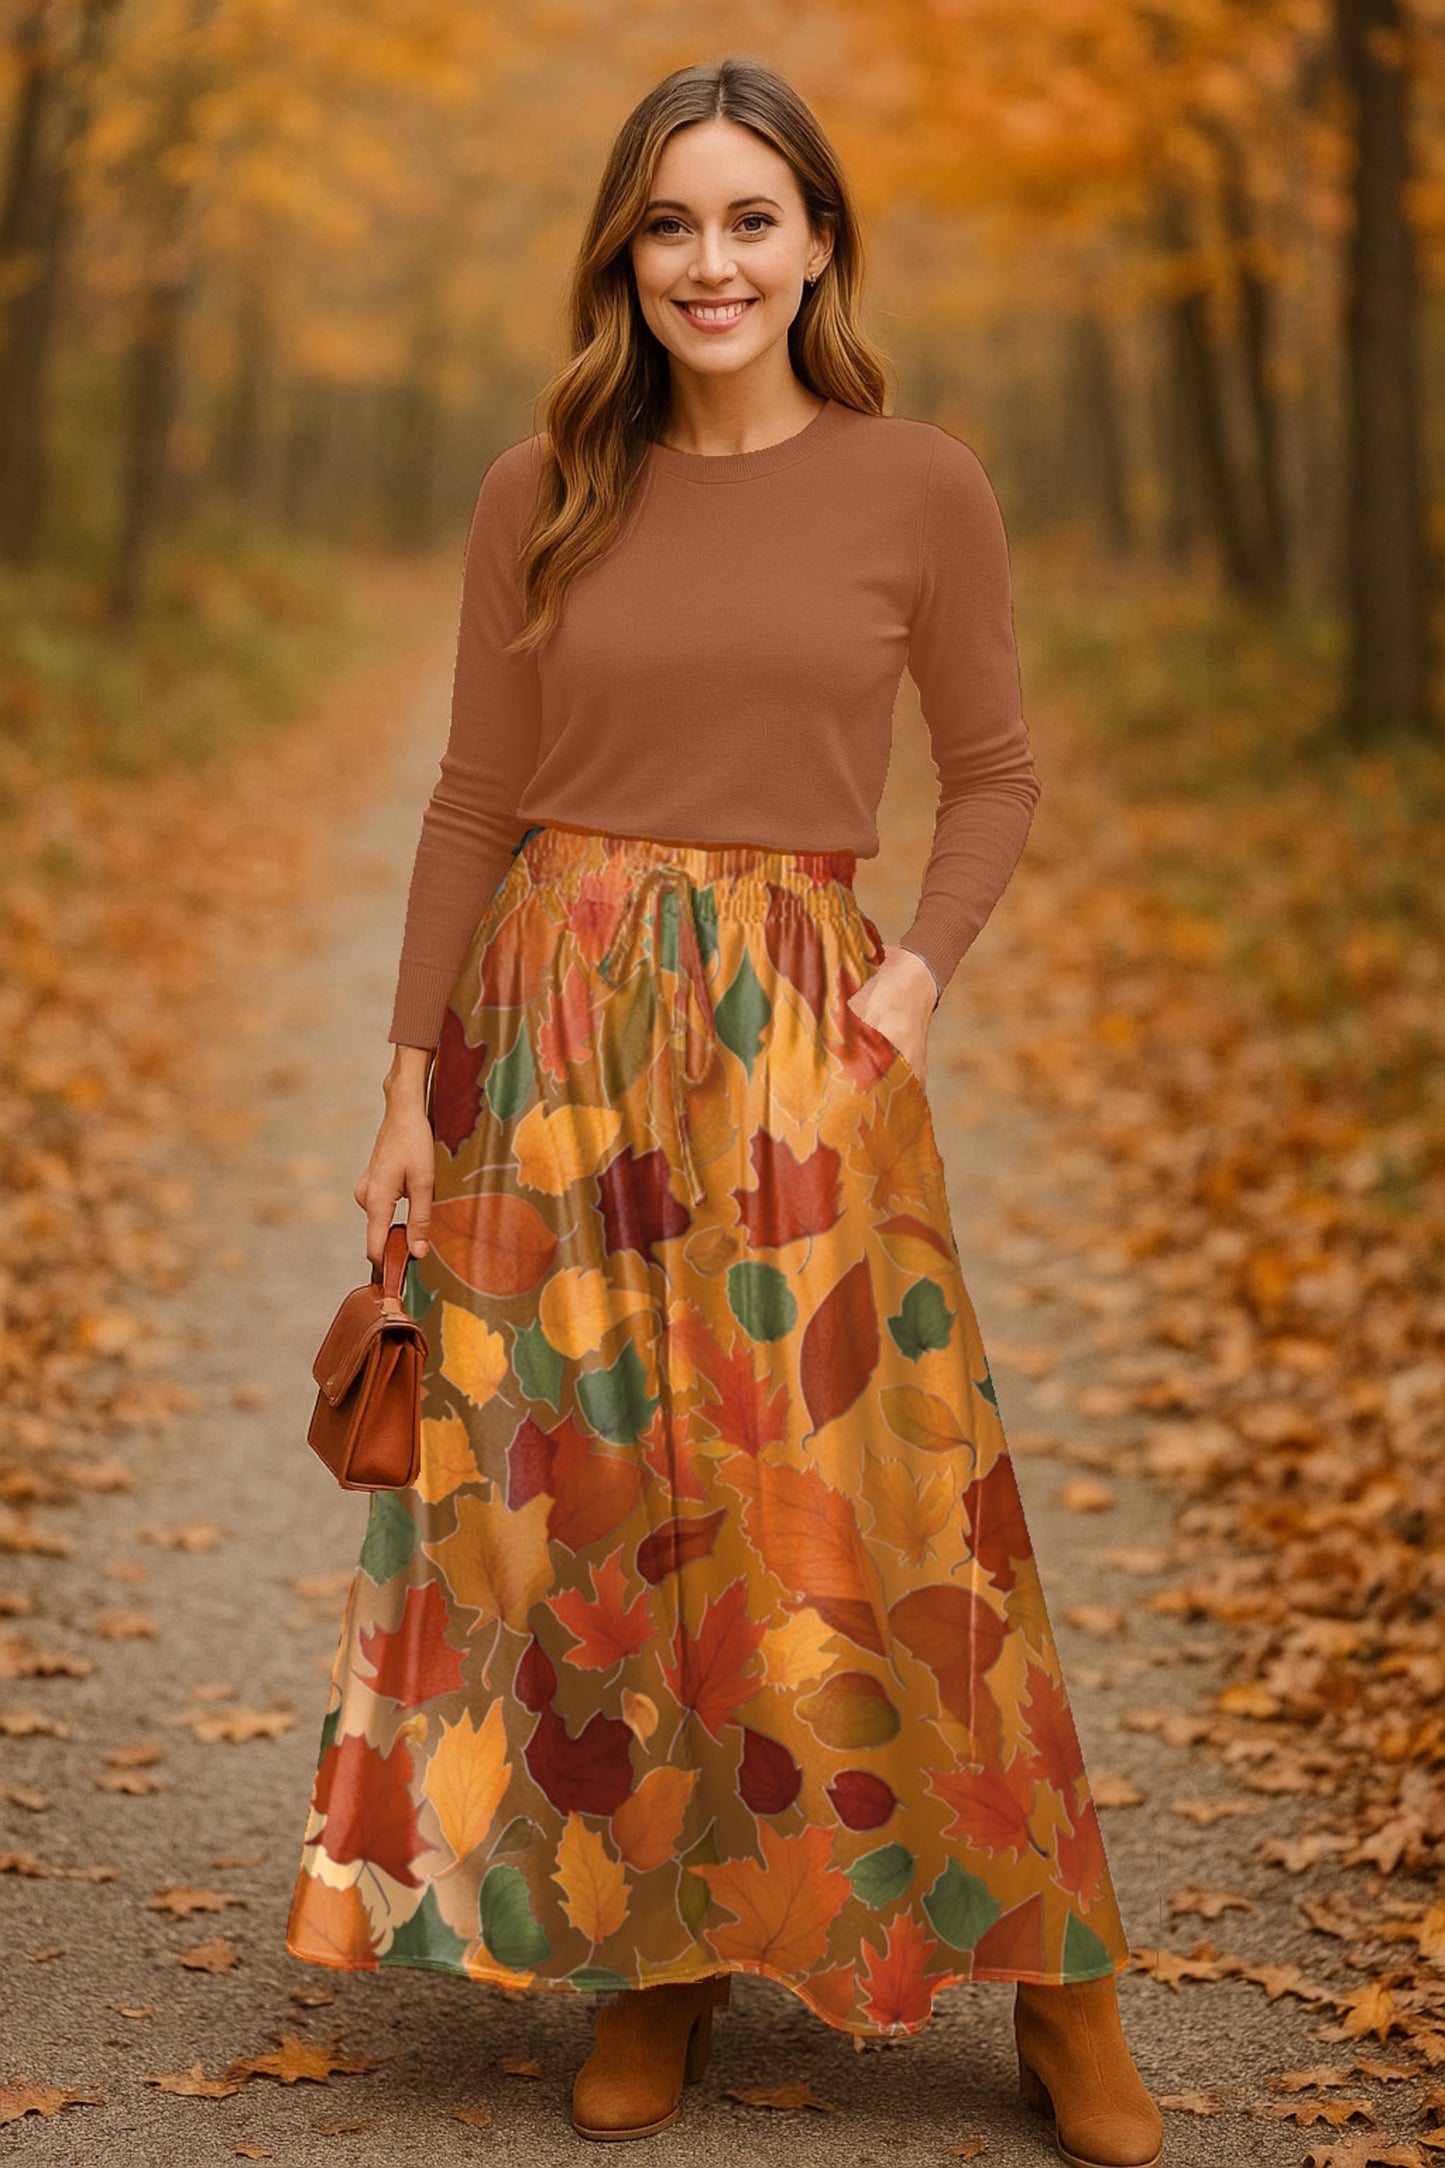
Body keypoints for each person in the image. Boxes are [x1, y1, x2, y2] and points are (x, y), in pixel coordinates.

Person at [285, 55, 1164, 2167]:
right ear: (624, 253)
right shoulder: (543, 486)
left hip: (794, 1034)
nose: (711, 262)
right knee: (605, 1501)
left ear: (818, 243)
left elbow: (997, 771)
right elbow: (473, 794)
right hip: (550, 1040)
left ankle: (1058, 1972)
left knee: (884, 1501)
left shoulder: (918, 484)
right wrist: (407, 1075)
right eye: (670, 224)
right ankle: (652, 1946)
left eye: (751, 220)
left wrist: (910, 979)